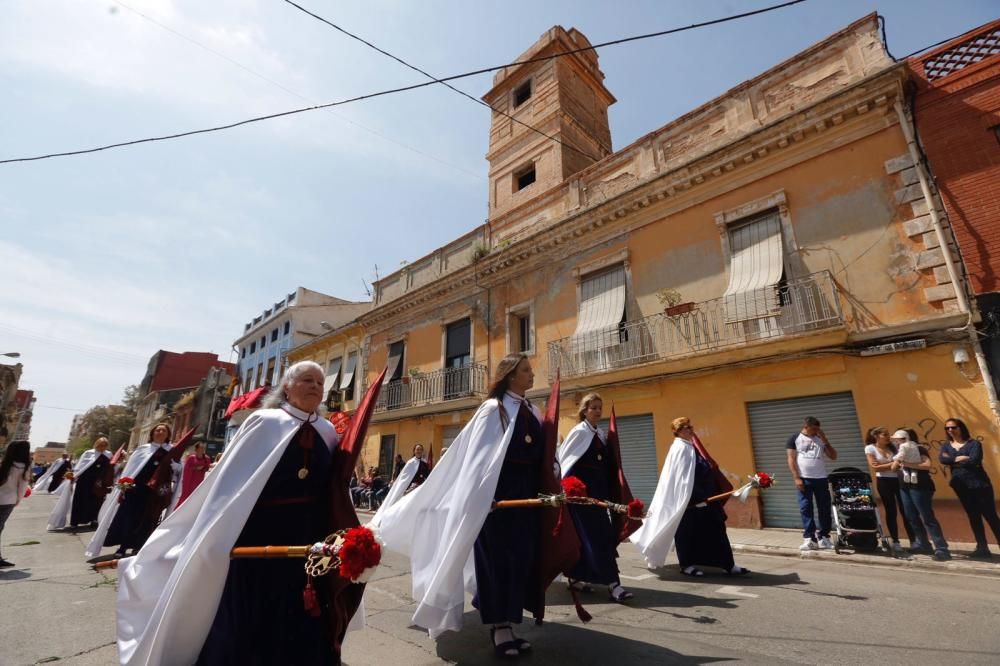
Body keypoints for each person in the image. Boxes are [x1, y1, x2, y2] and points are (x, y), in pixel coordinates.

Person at [115, 361, 367, 665]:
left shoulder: (327, 431)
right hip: (260, 532)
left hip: (308, 531)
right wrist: (216, 535)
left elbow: (333, 487)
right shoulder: (265, 422)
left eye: (318, 382)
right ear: (287, 387)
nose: (315, 386)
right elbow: (231, 484)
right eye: (306, 380)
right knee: (256, 603)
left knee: (304, 601)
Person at [371, 353, 578, 658]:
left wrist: (554, 474)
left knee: (520, 563)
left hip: (527, 503)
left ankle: (508, 621)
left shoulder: (532, 411)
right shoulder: (492, 411)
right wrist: (481, 499)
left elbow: (547, 457)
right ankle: (499, 627)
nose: (532, 375)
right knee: (496, 564)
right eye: (525, 371)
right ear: (510, 375)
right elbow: (477, 463)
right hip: (496, 503)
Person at [630, 417, 748, 577]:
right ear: (677, 432)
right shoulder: (679, 448)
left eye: (690, 426)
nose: (690, 429)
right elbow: (680, 479)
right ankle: (686, 565)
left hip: (704, 499)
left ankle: (728, 565)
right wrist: (692, 498)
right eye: (685, 427)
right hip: (688, 502)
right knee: (685, 533)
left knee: (717, 529)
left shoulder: (690, 447)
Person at [557, 393, 633, 601]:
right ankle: (614, 585)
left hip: (599, 498)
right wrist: (574, 490)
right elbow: (566, 464)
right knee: (597, 541)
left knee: (592, 540)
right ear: (584, 410)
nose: (598, 411)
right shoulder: (579, 432)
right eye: (593, 408)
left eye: (600, 407)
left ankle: (577, 579)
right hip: (582, 499)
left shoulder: (600, 434)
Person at [85, 423, 180, 559]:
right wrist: (124, 484)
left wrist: (177, 467)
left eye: (163, 430)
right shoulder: (143, 449)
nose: (160, 432)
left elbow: (179, 471)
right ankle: (123, 547)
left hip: (154, 492)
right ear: (152, 433)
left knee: (148, 519)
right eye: (157, 430)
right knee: (128, 517)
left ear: (168, 434)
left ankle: (138, 546)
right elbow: (131, 468)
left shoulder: (172, 450)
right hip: (136, 488)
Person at [939, 418, 1000, 559]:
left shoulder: (974, 443)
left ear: (961, 428)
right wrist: (958, 459)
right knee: (973, 516)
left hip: (980, 485)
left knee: (990, 516)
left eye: (953, 427)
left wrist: (953, 459)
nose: (950, 430)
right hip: (961, 486)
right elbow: (943, 460)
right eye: (947, 428)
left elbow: (974, 460)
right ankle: (982, 547)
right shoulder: (946, 446)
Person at [891, 429, 951, 561]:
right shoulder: (900, 451)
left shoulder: (919, 449)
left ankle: (941, 548)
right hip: (904, 487)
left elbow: (927, 465)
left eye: (899, 439)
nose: (896, 442)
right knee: (911, 516)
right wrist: (898, 459)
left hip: (920, 487)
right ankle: (923, 544)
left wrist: (906, 463)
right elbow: (894, 468)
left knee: (927, 517)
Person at [786, 416, 838, 551]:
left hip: (821, 478)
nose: (816, 431)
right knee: (806, 508)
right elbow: (791, 459)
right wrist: (796, 478)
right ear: (806, 426)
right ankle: (810, 539)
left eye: (818, 429)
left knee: (824, 508)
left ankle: (824, 537)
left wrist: (825, 439)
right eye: (814, 429)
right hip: (804, 478)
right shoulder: (795, 438)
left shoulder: (820, 439)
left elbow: (833, 456)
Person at [863, 427, 913, 553]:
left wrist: (889, 465)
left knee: (905, 509)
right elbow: (875, 467)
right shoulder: (870, 448)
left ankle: (914, 540)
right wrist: (894, 464)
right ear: (876, 436)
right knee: (891, 510)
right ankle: (895, 541)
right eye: (885, 434)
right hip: (884, 481)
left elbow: (903, 460)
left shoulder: (894, 447)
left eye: (888, 434)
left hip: (899, 479)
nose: (888, 436)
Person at [47, 437, 112, 531]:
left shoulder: (108, 454)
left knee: (97, 502)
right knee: (80, 500)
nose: (102, 448)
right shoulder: (88, 453)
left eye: (104, 446)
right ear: (96, 444)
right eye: (100, 445)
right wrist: (74, 476)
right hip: (84, 481)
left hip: (99, 483)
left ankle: (93, 520)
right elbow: (80, 467)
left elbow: (110, 468)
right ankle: (75, 521)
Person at [0, 440, 32, 568]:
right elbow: (22, 487)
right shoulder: (24, 467)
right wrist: (18, 500)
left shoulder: (4, 463)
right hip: (8, 501)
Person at [380, 444, 431, 510]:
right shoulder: (410, 463)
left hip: (421, 488)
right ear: (414, 451)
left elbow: (427, 476)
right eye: (417, 449)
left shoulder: (425, 463)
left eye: (420, 450)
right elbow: (404, 478)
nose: (419, 451)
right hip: (411, 488)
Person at [175, 441, 211, 507]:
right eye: (201, 448)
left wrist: (203, 468)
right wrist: (196, 468)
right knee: (186, 496)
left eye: (203, 448)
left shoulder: (207, 458)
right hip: (189, 480)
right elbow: (186, 469)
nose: (202, 450)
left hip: (199, 480)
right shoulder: (191, 458)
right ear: (196, 449)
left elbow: (207, 468)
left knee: (196, 496)